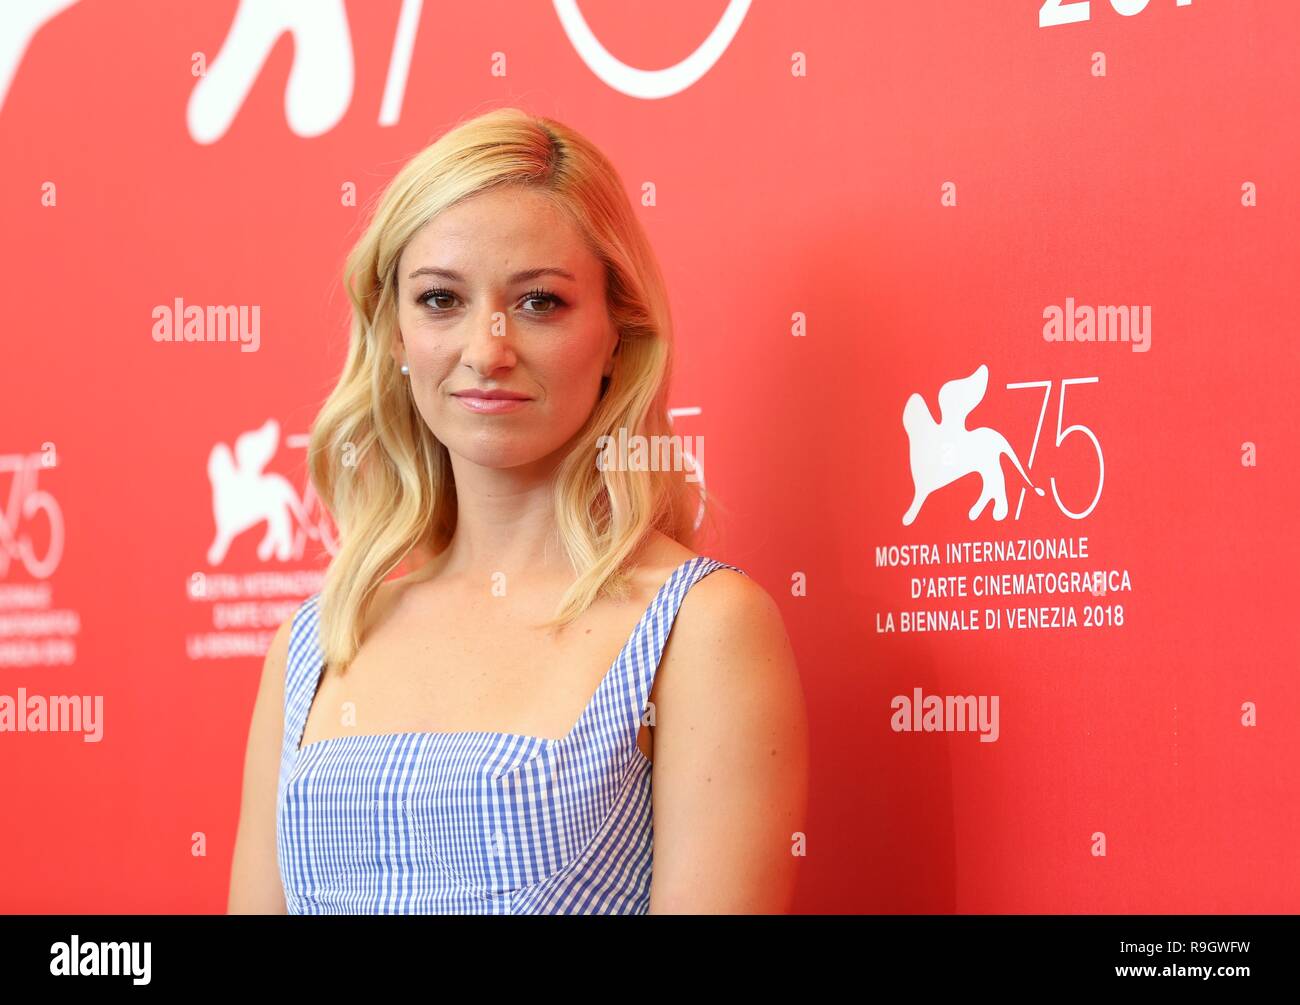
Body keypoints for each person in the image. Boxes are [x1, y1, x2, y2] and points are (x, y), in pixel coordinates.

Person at [227, 107, 808, 914]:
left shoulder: (699, 626)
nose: (486, 348)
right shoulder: (318, 641)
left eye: (538, 302)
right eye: (440, 299)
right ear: (394, 333)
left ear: (618, 334)